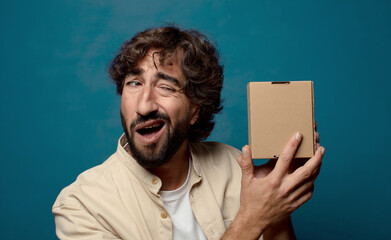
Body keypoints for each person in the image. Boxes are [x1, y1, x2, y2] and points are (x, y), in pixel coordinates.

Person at [52, 25, 324, 240]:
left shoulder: (234, 167)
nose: (144, 105)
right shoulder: (81, 205)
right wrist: (251, 220)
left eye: (166, 87)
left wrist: (275, 205)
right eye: (134, 83)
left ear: (195, 110)